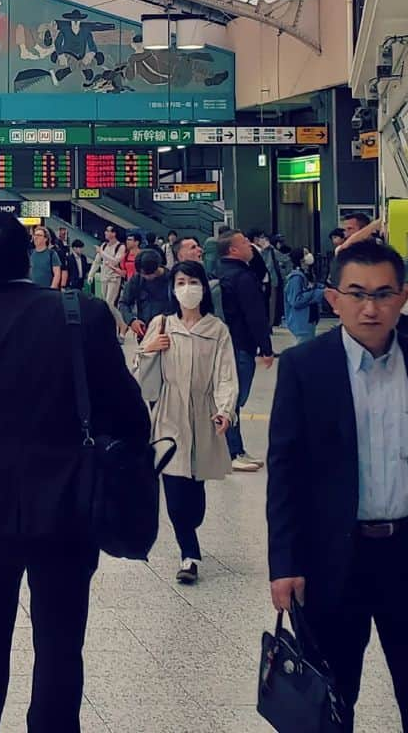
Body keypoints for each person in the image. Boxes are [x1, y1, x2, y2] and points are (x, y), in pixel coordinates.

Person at [0, 212, 150, 733]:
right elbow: (131, 413)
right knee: (61, 634)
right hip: (70, 503)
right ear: (31, 256)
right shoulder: (82, 314)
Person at [267, 241, 408, 733]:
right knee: (330, 706)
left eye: (384, 294)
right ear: (333, 298)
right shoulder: (305, 368)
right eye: (357, 293)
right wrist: (286, 563)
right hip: (333, 562)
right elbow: (286, 470)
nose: (371, 307)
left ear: (404, 296)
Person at [140, 262, 237, 584]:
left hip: (204, 414)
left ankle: (189, 531)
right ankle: (189, 555)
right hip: (170, 412)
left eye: (192, 281)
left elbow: (226, 374)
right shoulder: (163, 324)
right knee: (175, 484)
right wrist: (149, 348)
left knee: (195, 493)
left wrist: (225, 410)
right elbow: (139, 373)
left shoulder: (216, 329)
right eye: (180, 282)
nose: (187, 288)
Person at [217, 230, 273, 473]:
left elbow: (261, 271)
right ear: (232, 250)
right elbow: (255, 315)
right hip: (241, 346)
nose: (249, 245)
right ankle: (231, 451)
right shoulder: (242, 278)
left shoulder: (222, 272)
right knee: (234, 400)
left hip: (226, 343)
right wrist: (266, 347)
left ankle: (235, 448)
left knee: (232, 400)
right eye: (243, 243)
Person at [118, 248, 172, 340]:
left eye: (148, 274)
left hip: (168, 331)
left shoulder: (172, 280)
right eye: (142, 273)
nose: (145, 276)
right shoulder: (137, 279)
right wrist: (132, 321)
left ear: (157, 267)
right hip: (145, 332)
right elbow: (124, 303)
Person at [282, 247, 326, 345]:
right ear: (300, 259)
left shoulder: (306, 274)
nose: (309, 255)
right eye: (306, 253)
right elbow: (296, 301)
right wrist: (316, 293)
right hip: (301, 321)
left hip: (310, 318)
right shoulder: (296, 278)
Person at [88, 224, 126, 335]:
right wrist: (91, 274)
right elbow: (97, 261)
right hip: (104, 277)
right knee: (106, 305)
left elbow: (115, 261)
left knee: (110, 303)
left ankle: (122, 324)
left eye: (108, 231)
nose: (106, 233)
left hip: (114, 277)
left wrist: (101, 252)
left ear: (114, 233)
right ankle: (111, 328)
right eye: (106, 231)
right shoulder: (103, 245)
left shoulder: (120, 247)